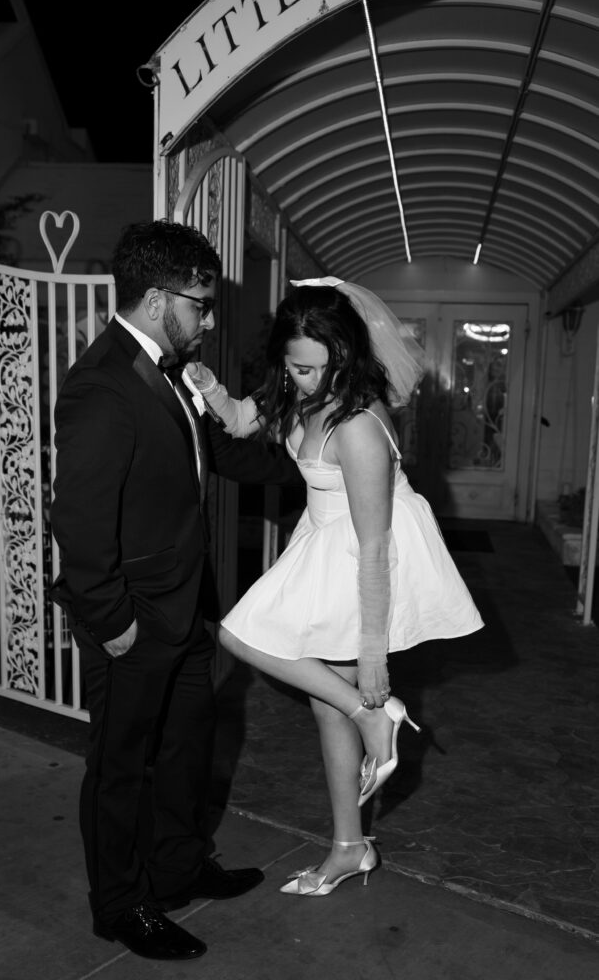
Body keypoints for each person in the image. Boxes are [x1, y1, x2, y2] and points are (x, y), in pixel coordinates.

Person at [49, 220, 302, 960]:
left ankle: (179, 865)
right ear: (159, 300)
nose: (210, 317)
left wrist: (316, 455)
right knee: (122, 764)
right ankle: (121, 905)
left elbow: (223, 453)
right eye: (201, 302)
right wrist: (113, 622)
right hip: (131, 620)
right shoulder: (102, 384)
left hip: (186, 607)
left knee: (188, 745)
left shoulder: (174, 371)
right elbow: (80, 520)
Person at [187, 277, 484, 897]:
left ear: (346, 354)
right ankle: (351, 847)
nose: (310, 381)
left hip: (360, 556)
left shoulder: (358, 426)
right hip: (321, 542)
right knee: (326, 703)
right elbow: (244, 422)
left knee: (242, 636)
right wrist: (210, 389)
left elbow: (375, 546)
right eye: (298, 368)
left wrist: (374, 660)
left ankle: (376, 717)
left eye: (323, 367)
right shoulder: (296, 393)